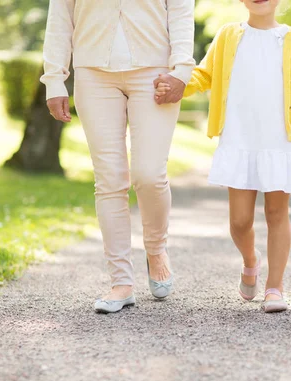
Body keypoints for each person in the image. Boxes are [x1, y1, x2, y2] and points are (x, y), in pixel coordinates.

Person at [155, 0, 291, 312]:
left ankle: (274, 287)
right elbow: (203, 75)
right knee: (239, 222)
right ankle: (251, 259)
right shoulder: (228, 35)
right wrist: (179, 84)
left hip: (279, 142)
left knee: (277, 213)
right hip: (239, 140)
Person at [41, 0, 195, 313]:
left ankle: (155, 249)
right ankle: (121, 282)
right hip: (93, 74)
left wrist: (182, 71)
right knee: (109, 180)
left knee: (149, 175)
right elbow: (60, 14)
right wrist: (54, 78)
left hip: (156, 72)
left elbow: (180, 9)